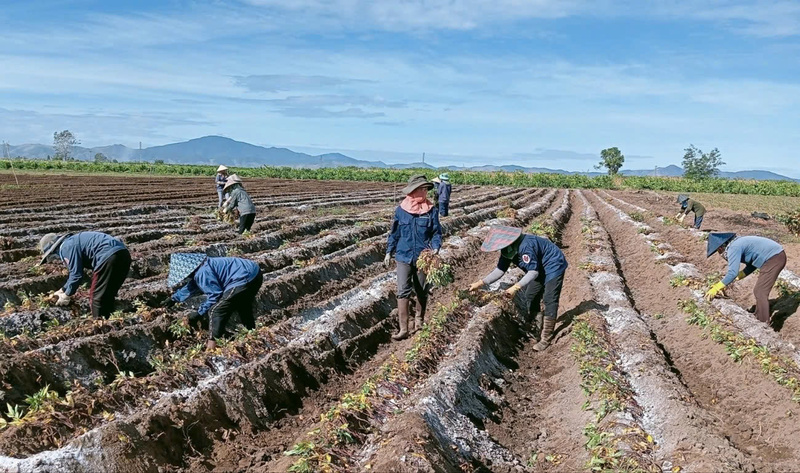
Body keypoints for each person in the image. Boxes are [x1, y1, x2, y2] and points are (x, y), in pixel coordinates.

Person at [468, 225, 568, 351]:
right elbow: (500, 270)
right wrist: (481, 283)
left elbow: (533, 272)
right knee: (530, 295)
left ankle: (546, 338)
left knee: (550, 299)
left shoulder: (525, 246)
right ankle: (536, 328)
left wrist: (515, 287)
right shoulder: (507, 250)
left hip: (553, 264)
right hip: (538, 267)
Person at [385, 174, 442, 340]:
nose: (425, 192)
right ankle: (403, 329)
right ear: (413, 190)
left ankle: (419, 321)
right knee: (403, 291)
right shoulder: (401, 210)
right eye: (422, 189)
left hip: (423, 256)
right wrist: (389, 251)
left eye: (426, 189)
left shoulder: (431, 211)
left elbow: (436, 233)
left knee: (421, 289)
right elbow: (394, 233)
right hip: (403, 255)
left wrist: (436, 247)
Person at [167, 253, 263, 351]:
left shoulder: (203, 272)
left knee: (216, 311)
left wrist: (199, 313)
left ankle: (211, 348)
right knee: (242, 305)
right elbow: (193, 285)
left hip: (243, 277)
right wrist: (174, 298)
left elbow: (215, 295)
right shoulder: (203, 266)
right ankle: (252, 334)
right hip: (254, 272)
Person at [38, 231, 131, 319]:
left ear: (53, 249)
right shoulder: (72, 241)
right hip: (123, 253)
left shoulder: (66, 247)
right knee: (107, 294)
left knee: (96, 298)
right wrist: (63, 290)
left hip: (107, 256)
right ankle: (109, 319)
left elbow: (76, 275)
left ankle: (100, 323)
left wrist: (67, 294)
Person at [705, 233, 787, 325]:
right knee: (759, 291)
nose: (720, 253)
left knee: (760, 291)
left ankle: (763, 323)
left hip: (774, 258)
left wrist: (717, 287)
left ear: (721, 247)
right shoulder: (736, 243)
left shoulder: (733, 248)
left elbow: (732, 273)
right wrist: (742, 274)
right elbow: (753, 262)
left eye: (718, 251)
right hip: (774, 256)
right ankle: (759, 316)